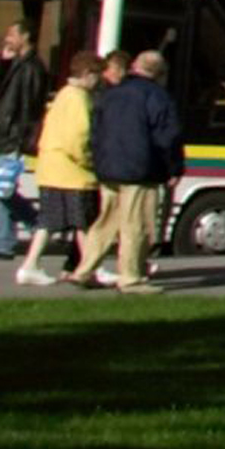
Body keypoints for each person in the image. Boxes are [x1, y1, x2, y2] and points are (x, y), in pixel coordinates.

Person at [79, 49, 181, 292]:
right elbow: (167, 137)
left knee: (106, 220)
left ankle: (84, 269)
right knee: (136, 223)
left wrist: (99, 160)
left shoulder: (111, 94)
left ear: (134, 66)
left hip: (108, 168)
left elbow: (95, 130)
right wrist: (174, 168)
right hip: (140, 169)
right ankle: (130, 277)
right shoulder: (158, 97)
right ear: (160, 73)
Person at [20, 49, 102, 287]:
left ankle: (30, 265)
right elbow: (78, 136)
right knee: (84, 223)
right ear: (87, 74)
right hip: (73, 174)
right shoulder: (79, 97)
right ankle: (89, 268)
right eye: (97, 75)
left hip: (50, 168)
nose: (99, 81)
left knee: (48, 221)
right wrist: (89, 161)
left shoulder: (63, 94)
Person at [0, 20, 48, 264]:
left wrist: (19, 139)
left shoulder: (31, 68)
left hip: (13, 137)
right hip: (7, 136)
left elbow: (29, 107)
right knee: (2, 190)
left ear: (25, 36)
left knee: (2, 189)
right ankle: (4, 244)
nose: (7, 39)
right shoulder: (18, 65)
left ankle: (36, 224)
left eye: (11, 34)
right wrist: (4, 63)